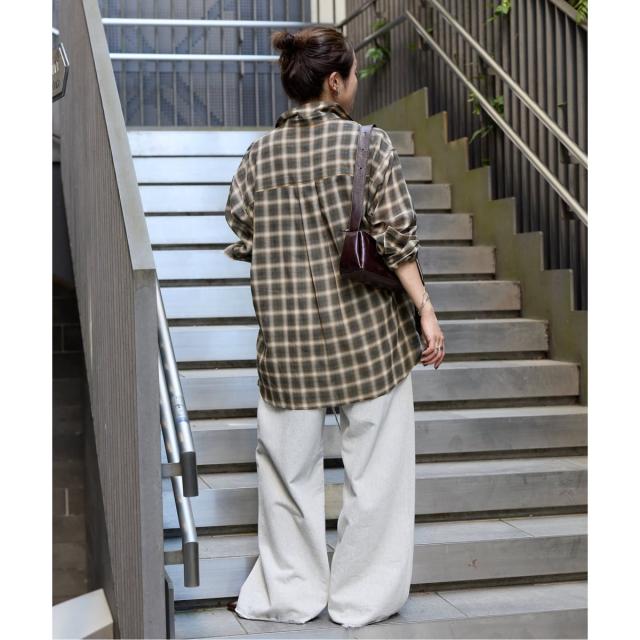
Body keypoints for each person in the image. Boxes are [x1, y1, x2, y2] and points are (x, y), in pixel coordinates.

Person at [223, 25, 445, 629]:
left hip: (288, 345)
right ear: (334, 82)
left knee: (286, 477)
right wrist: (425, 309)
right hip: (369, 340)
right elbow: (396, 239)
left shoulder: (258, 156)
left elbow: (241, 227)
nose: (356, 84)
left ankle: (291, 593)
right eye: (353, 76)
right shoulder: (368, 145)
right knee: (376, 475)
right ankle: (360, 598)